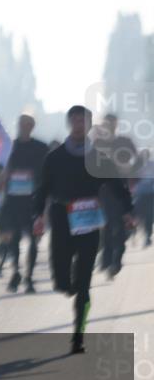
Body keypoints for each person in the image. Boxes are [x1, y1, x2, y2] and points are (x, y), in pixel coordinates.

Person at [32, 106, 135, 353]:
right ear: (70, 123)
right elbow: (42, 188)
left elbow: (117, 186)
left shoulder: (99, 157)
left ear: (89, 125)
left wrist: (128, 211)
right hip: (61, 217)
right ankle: (68, 285)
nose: (79, 124)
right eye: (75, 120)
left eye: (84, 120)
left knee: (84, 282)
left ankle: (78, 335)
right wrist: (38, 216)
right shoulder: (54, 157)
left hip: (88, 219)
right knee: (62, 280)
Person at [0, 115, 49, 292]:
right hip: (13, 200)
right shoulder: (10, 147)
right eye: (21, 125)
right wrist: (2, 180)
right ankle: (16, 272)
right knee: (14, 239)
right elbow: (2, 169)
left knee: (34, 240)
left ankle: (29, 277)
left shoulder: (41, 148)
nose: (24, 127)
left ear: (32, 126)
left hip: (33, 201)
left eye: (28, 125)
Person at [93, 113, 139, 276]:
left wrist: (132, 173)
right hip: (104, 192)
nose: (110, 126)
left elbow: (137, 161)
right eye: (107, 124)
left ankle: (116, 260)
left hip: (122, 190)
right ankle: (107, 260)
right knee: (106, 226)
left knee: (121, 227)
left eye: (112, 123)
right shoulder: (98, 144)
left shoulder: (124, 142)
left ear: (116, 125)